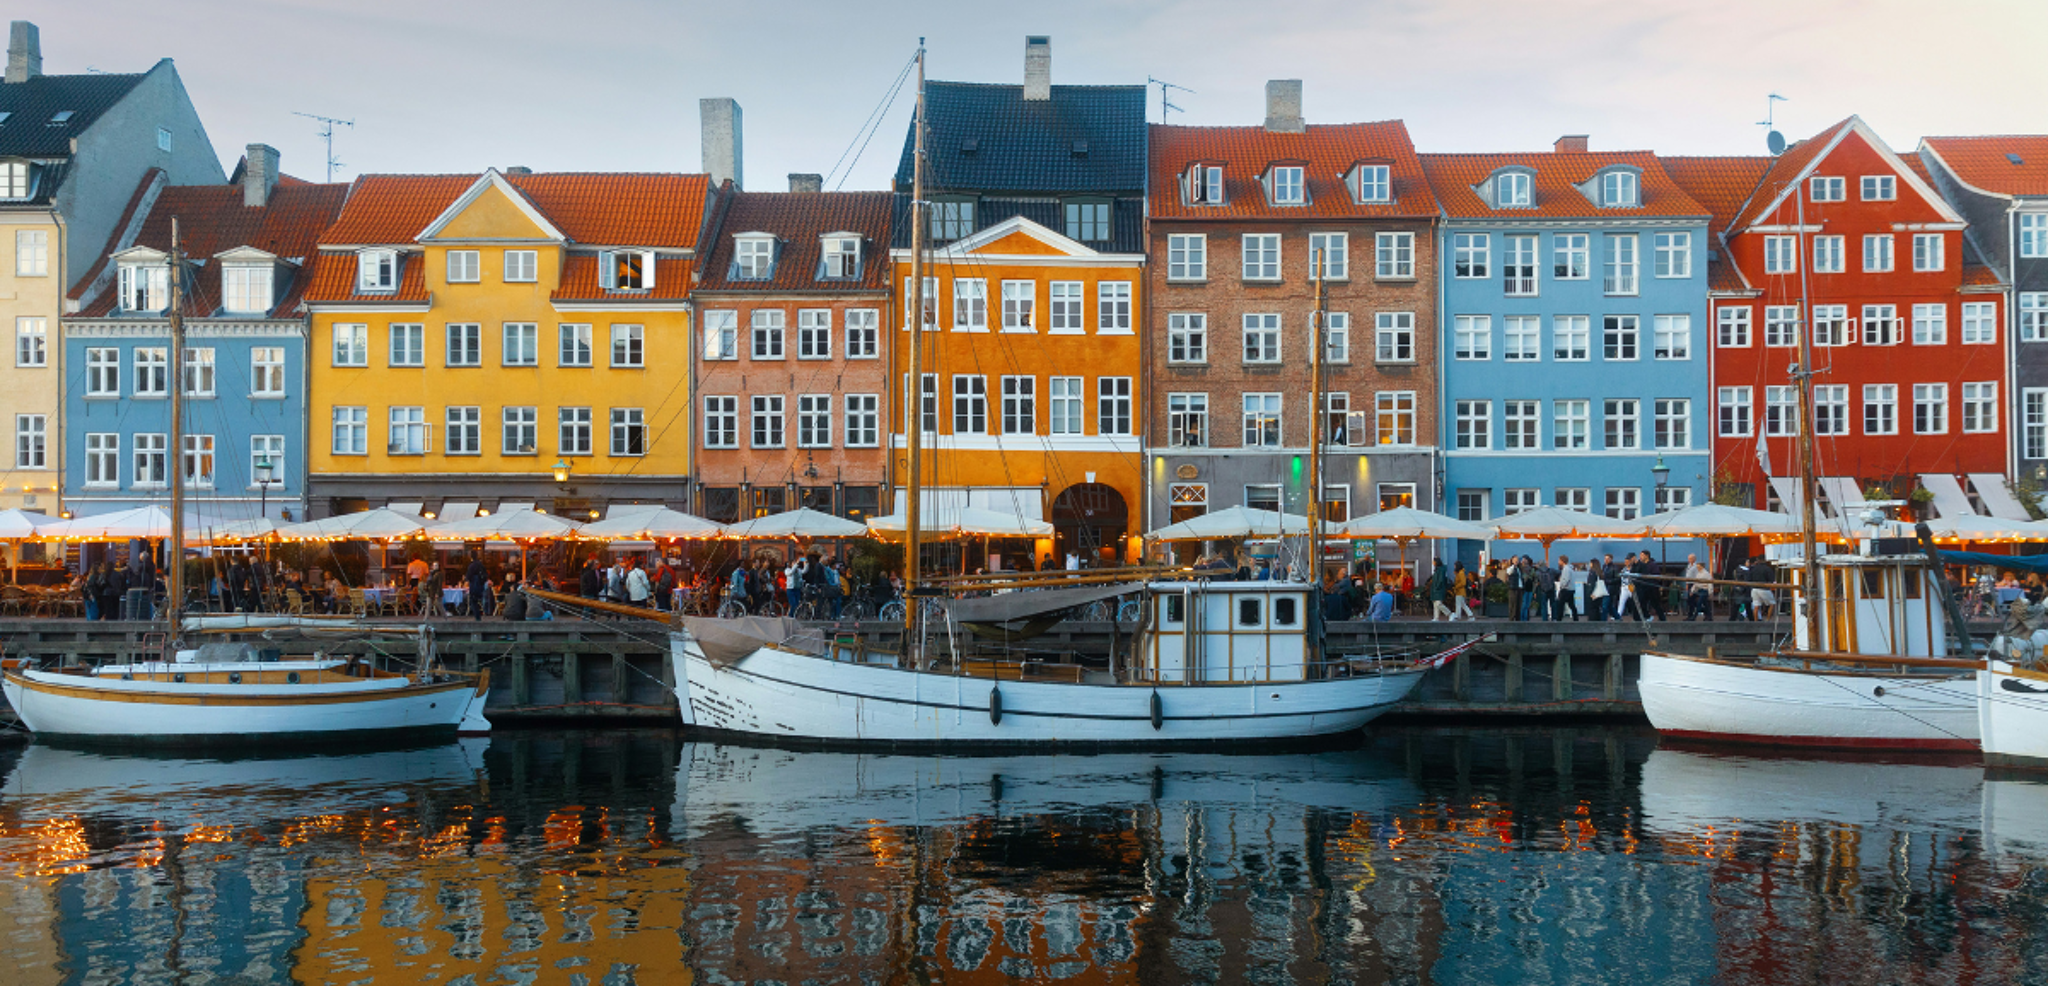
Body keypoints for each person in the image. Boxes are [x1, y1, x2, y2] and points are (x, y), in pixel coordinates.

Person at [1685, 552, 1713, 621]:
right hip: (1698, 588)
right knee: (1703, 603)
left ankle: (1694, 616)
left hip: (1704, 589)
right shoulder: (1697, 572)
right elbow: (1696, 583)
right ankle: (1708, 615)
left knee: (1699, 603)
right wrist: (1692, 590)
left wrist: (1710, 592)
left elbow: (1709, 583)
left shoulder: (1706, 574)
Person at [1554, 556, 1581, 621]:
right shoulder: (1570, 569)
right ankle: (1575, 618)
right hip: (1571, 589)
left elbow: (1566, 579)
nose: (1558, 562)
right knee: (1571, 605)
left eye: (1559, 560)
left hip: (1566, 589)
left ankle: (1559, 618)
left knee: (1560, 604)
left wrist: (1562, 585)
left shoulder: (1566, 569)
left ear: (1562, 561)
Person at [466, 552, 489, 620]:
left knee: (473, 601)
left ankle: (477, 616)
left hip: (474, 586)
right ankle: (481, 614)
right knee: (479, 601)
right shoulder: (481, 565)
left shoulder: (472, 566)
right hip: (480, 586)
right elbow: (485, 575)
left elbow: (468, 576)